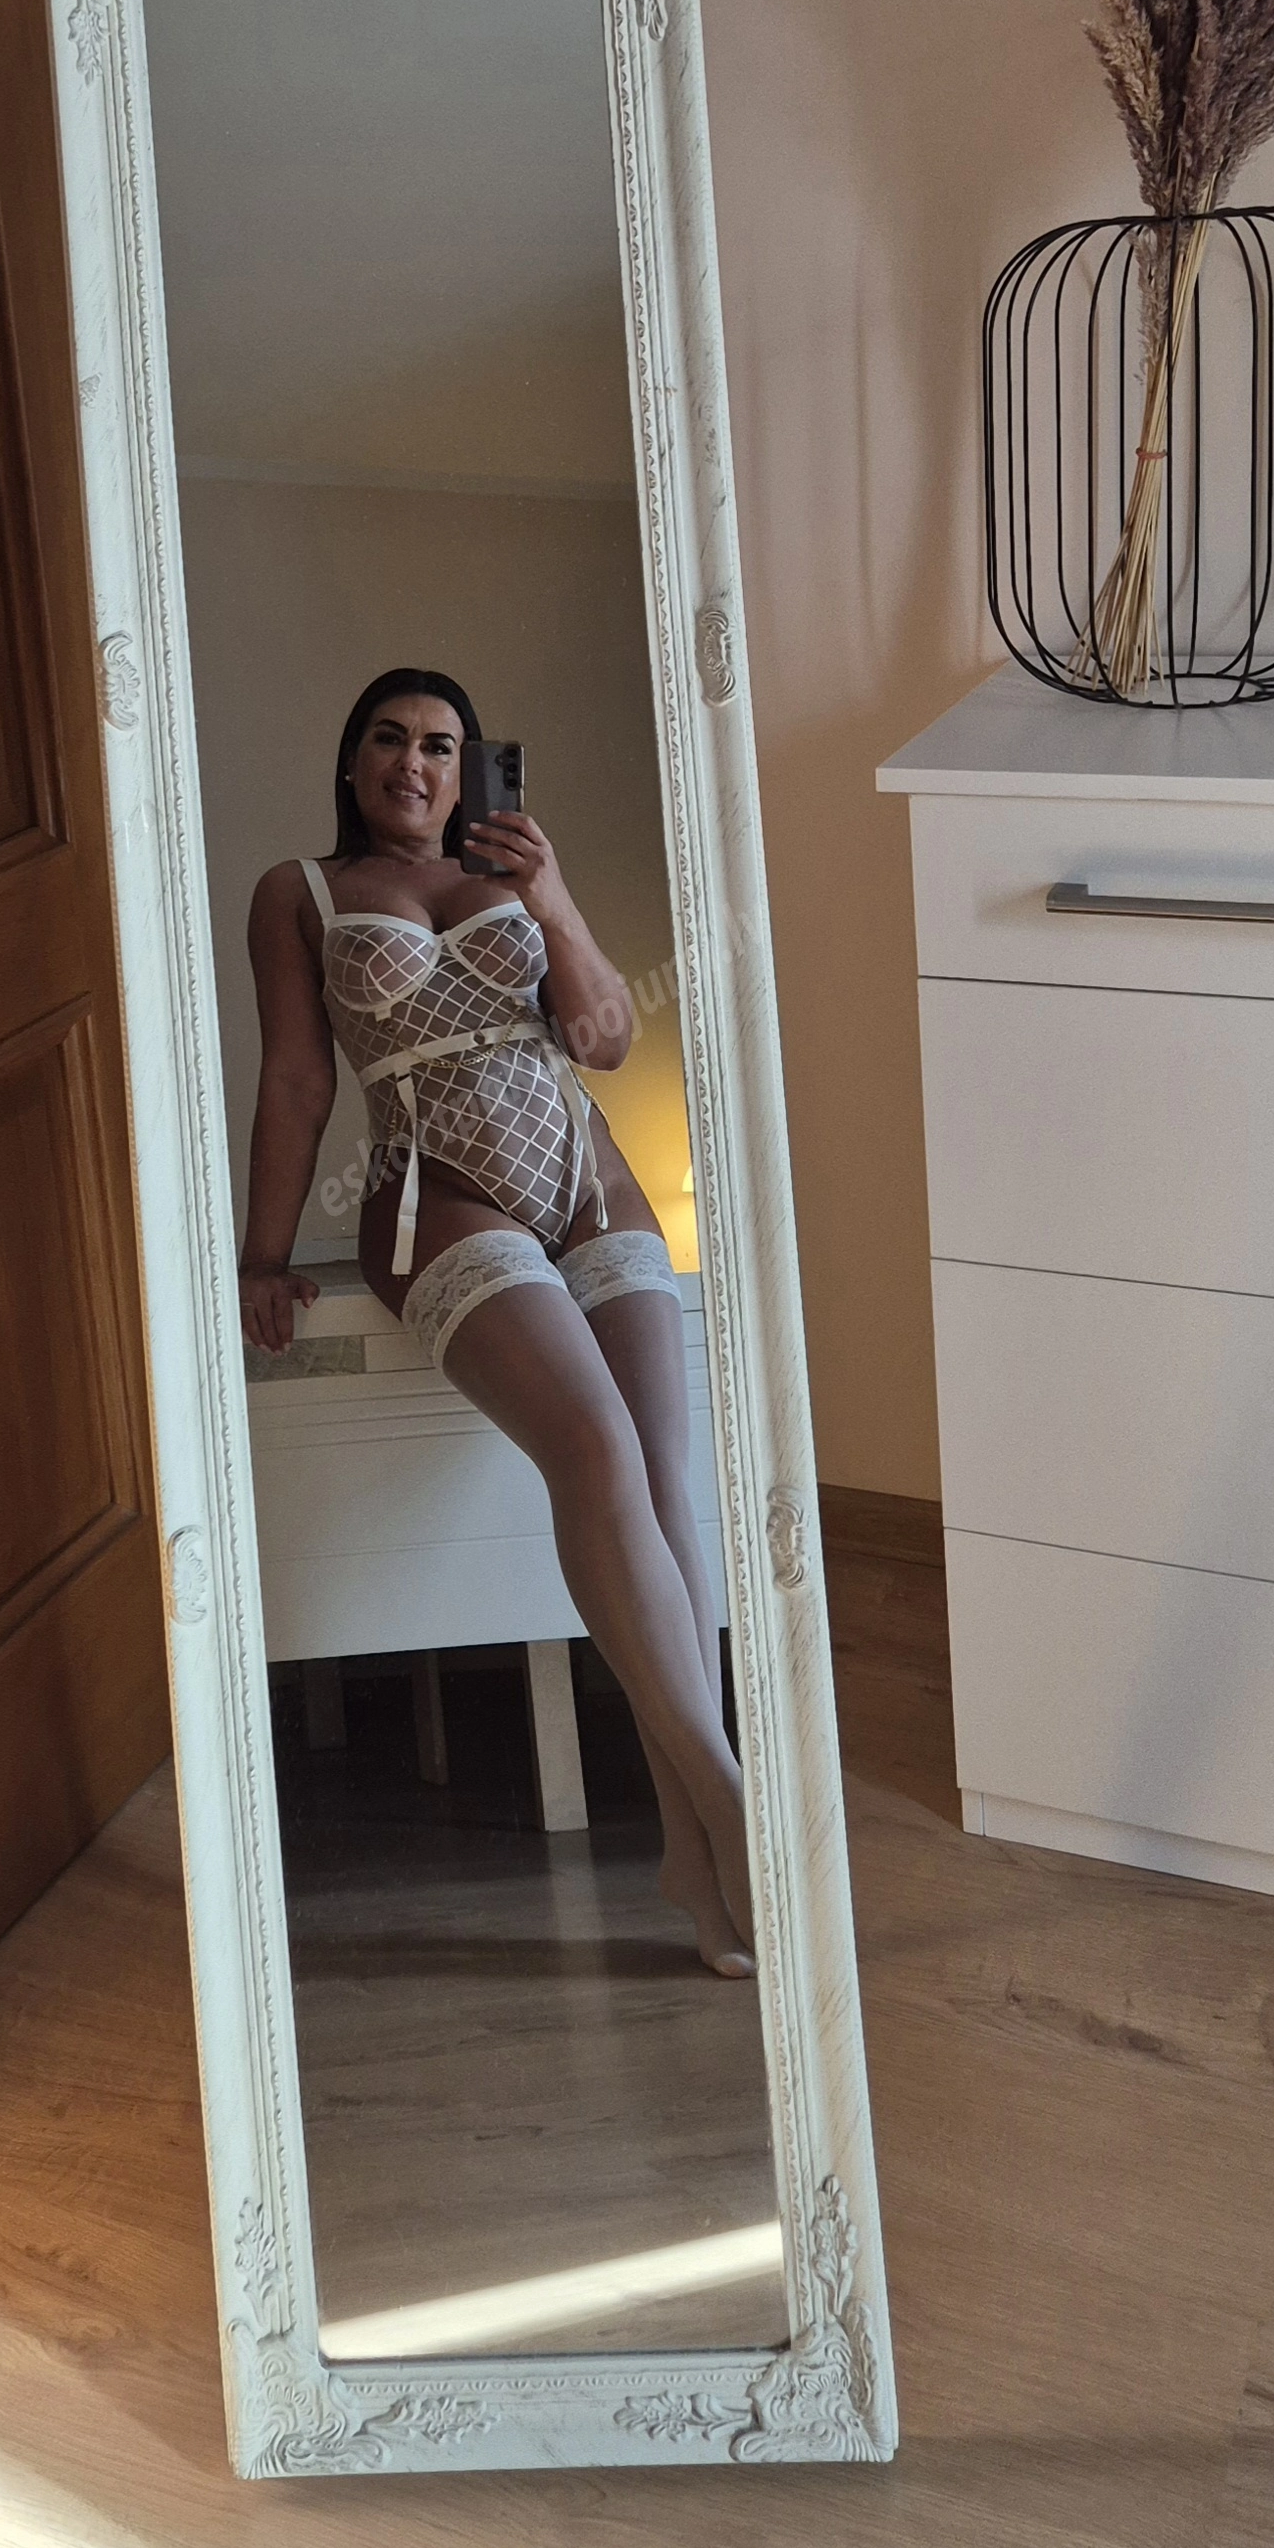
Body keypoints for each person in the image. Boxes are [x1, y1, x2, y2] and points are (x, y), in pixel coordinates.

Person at [238, 665, 754, 1976]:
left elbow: (603, 1036)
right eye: (389, 739)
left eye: (440, 745)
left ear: (468, 770)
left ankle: (692, 1854)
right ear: (351, 761)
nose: (413, 763)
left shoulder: (516, 877)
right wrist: (261, 1255)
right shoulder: (299, 892)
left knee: (665, 1478)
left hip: (589, 1174)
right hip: (435, 1196)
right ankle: (731, 1799)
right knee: (593, 1448)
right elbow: (297, 1080)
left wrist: (555, 895)